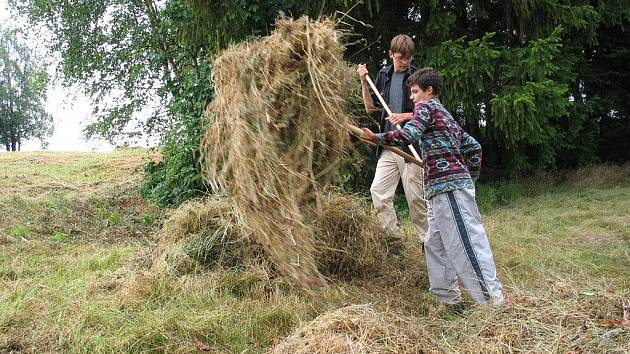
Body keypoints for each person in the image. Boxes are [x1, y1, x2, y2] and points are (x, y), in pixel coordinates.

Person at [359, 68, 504, 305]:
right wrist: (471, 178)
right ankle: (447, 299)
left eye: (416, 92)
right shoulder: (444, 115)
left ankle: (492, 302)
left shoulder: (426, 107)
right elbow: (474, 147)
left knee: (465, 242)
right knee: (435, 244)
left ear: (430, 91)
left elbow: (409, 135)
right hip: (438, 188)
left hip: (449, 188)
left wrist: (376, 137)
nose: (413, 97)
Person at [356, 34, 428, 251]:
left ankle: (430, 245)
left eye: (407, 58)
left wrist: (404, 116)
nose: (404, 62)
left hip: (410, 146)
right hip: (387, 145)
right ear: (391, 55)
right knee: (378, 192)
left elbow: (427, 109)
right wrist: (363, 82)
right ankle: (394, 241)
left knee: (416, 201)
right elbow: (370, 108)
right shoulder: (383, 75)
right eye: (400, 58)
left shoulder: (418, 78)